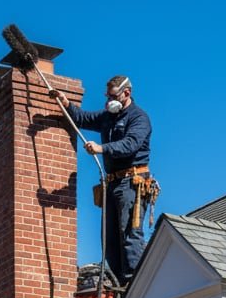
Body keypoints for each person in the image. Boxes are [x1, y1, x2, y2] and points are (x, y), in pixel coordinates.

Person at [52, 75, 152, 285]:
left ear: (127, 93)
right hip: (113, 183)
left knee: (130, 235)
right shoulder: (108, 116)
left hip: (132, 183)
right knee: (110, 240)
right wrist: (67, 104)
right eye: (107, 96)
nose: (109, 100)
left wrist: (101, 148)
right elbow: (84, 119)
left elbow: (130, 144)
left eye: (113, 95)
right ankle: (118, 288)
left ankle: (135, 286)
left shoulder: (138, 117)